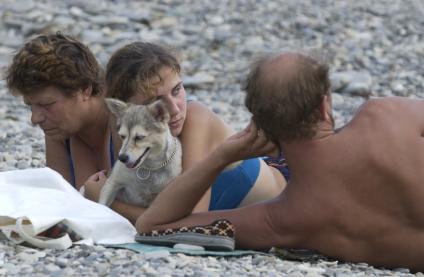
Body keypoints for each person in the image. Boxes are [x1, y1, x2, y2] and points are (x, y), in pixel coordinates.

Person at [135, 52, 424, 271]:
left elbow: (153, 225)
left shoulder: (286, 219)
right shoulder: (386, 117)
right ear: (325, 105)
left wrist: (221, 156)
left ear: (260, 125)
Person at [83, 42, 288, 217]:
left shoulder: (196, 119)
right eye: (155, 103)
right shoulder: (127, 130)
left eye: (177, 90)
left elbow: (187, 221)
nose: (173, 109)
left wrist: (107, 201)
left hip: (289, 190)